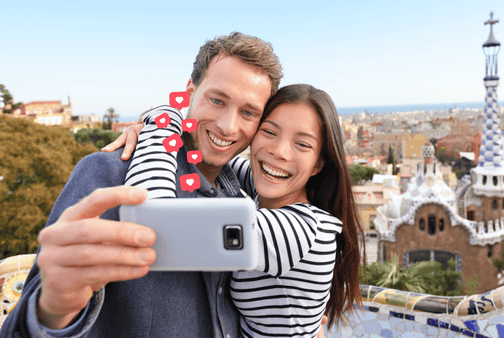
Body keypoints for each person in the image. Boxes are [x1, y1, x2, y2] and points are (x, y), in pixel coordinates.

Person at [0, 32, 283, 338]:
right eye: (217, 100)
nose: (228, 126)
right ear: (190, 92)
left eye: (248, 112)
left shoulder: (242, 195)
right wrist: (53, 309)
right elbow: (26, 322)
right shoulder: (110, 175)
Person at [116, 84, 364, 337]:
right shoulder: (265, 192)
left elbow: (157, 229)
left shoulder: (300, 230)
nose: (278, 152)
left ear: (318, 164)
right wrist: (152, 128)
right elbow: (210, 154)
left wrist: (161, 123)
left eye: (302, 144)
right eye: (269, 132)